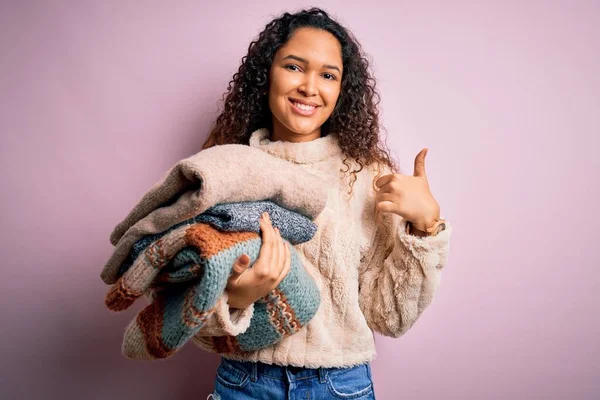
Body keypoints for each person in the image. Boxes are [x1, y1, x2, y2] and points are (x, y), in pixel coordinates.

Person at [200, 7, 452, 400]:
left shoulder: (368, 175)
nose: (309, 87)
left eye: (328, 75)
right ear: (266, 74)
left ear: (342, 90)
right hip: (244, 383)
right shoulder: (224, 170)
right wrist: (237, 298)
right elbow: (186, 310)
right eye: (294, 67)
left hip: (341, 387)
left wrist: (425, 228)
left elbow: (390, 317)